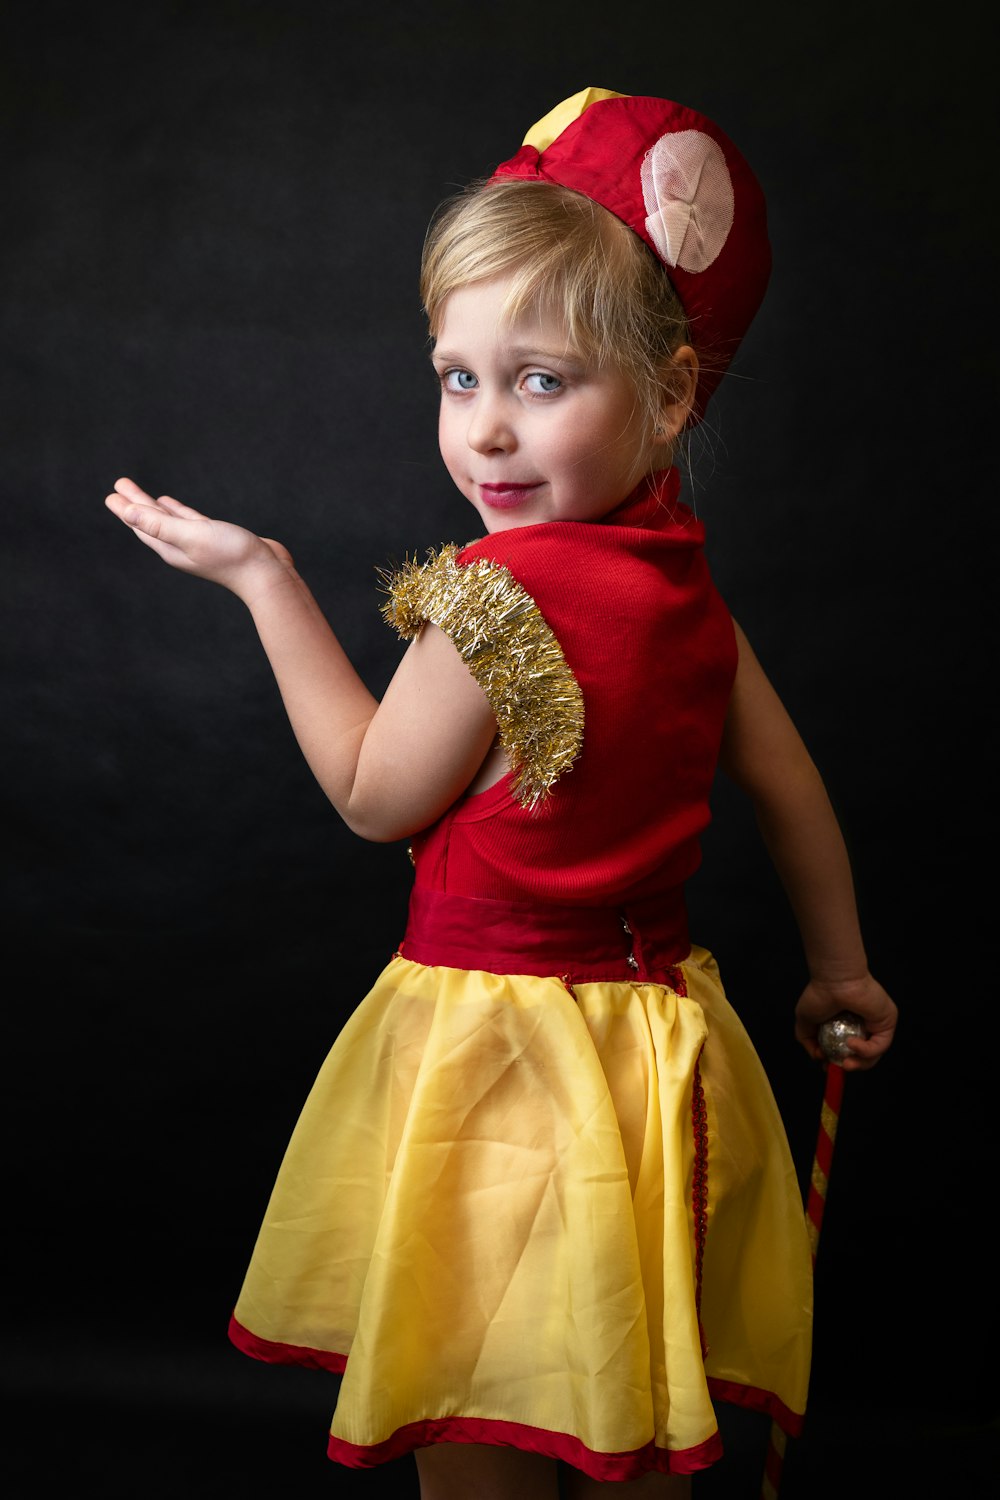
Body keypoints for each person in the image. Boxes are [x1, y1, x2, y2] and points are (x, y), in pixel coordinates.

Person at [104, 88, 897, 1500]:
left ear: (670, 393)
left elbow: (371, 796)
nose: (484, 432)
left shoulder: (495, 595)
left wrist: (263, 579)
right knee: (634, 1407)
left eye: (542, 381)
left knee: (485, 1406)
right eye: (456, 377)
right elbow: (791, 787)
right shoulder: (691, 593)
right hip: (657, 1064)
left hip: (501, 1075)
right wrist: (839, 973)